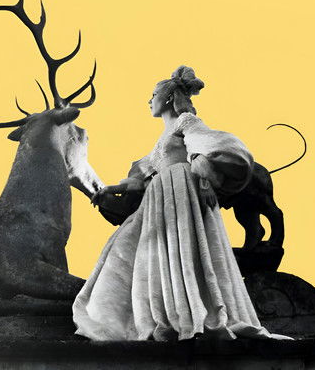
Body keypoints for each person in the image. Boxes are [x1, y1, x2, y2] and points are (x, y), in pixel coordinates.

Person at [73, 66, 289, 341]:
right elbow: (142, 177)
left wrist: (204, 180)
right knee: (129, 243)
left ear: (168, 98)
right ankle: (150, 313)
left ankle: (188, 314)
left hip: (181, 188)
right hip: (160, 193)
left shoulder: (186, 121)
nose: (149, 100)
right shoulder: (162, 138)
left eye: (153, 95)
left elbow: (203, 146)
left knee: (183, 248)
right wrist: (109, 190)